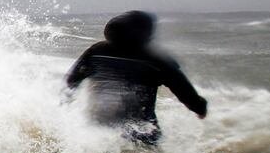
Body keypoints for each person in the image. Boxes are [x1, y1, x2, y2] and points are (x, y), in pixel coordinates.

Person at [65, 10, 207, 144]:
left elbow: (72, 80)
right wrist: (200, 108)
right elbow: (184, 91)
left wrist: (65, 103)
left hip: (97, 126)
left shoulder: (97, 51)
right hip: (140, 131)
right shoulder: (157, 60)